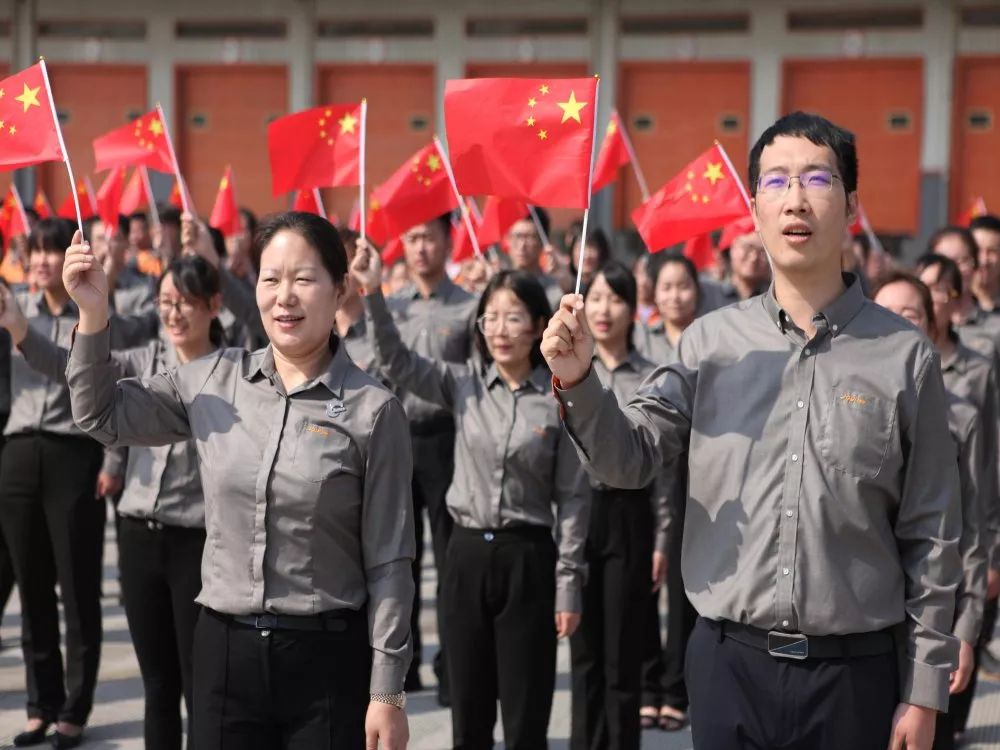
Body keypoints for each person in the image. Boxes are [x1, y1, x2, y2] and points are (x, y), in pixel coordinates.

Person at [542, 111, 963, 749]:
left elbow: (932, 531)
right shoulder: (708, 344)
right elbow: (628, 459)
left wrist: (924, 690)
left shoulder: (905, 357)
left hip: (854, 678)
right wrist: (579, 381)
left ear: (851, 205)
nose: (795, 199)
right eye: (775, 181)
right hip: (728, 667)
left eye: (816, 179)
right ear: (754, 209)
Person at [63, 211, 414, 749]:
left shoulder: (375, 410)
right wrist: (92, 315)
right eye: (271, 279)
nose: (285, 296)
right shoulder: (214, 379)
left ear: (340, 288)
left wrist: (387, 691)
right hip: (226, 656)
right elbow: (100, 414)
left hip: (326, 662)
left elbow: (390, 560)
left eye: (304, 278)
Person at [352, 242, 589, 750]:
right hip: (465, 558)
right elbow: (396, 360)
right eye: (490, 318)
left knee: (526, 715)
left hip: (527, 559)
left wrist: (568, 583)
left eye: (513, 317)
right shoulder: (463, 385)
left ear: (538, 326)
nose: (499, 330)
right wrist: (372, 292)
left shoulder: (558, 400)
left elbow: (572, 498)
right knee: (469, 712)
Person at [0, 255, 223, 750]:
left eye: (185, 302)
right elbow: (76, 369)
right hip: (140, 534)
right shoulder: (143, 363)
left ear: (214, 305)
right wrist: (22, 328)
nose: (173, 313)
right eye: (165, 301)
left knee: (200, 684)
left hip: (199, 540)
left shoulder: (234, 375)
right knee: (157, 685)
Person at [0, 219, 115, 747]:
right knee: (31, 587)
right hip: (19, 453)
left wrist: (113, 462)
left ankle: (74, 707)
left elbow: (87, 378)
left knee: (77, 586)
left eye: (53, 250)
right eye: (36, 251)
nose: (43, 260)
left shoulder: (90, 310)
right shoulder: (12, 307)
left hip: (74, 453)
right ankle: (39, 704)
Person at [872, 272, 990, 750]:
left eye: (911, 314)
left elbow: (973, 529)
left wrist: (966, 629)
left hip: (931, 616)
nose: (898, 324)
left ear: (932, 324)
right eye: (884, 314)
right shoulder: (842, 404)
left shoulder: (961, 415)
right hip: (862, 624)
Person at [570, 261, 670, 750]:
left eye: (615, 298)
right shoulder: (568, 373)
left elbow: (665, 466)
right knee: (584, 651)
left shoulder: (651, 376)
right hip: (578, 511)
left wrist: (664, 536)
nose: (604, 309)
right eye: (595, 298)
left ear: (633, 308)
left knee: (623, 650)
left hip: (631, 513)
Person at [384, 215, 478, 700]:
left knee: (448, 557)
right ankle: (406, 663)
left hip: (447, 438)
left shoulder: (469, 306)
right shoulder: (390, 307)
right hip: (399, 437)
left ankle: (450, 665)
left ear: (447, 242)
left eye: (429, 238)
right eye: (413, 237)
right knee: (401, 557)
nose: (420, 247)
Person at [916, 254, 1000, 744]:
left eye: (935, 290)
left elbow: (982, 477)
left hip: (947, 565)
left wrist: (990, 553)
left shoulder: (971, 384)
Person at [927, 226, 1000, 358]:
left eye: (962, 261)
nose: (954, 270)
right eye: (945, 263)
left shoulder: (995, 327)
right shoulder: (920, 323)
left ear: (975, 264)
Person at [633, 252, 700, 365]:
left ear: (697, 290)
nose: (675, 297)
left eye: (683, 287)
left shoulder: (711, 337)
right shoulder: (641, 339)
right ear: (655, 293)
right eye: (666, 288)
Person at [505, 208, 564, 309]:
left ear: (542, 241)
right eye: (517, 236)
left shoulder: (555, 292)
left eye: (529, 237)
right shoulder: (498, 287)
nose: (522, 245)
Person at [970, 214, 1000, 311]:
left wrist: (984, 298)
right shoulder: (953, 299)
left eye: (992, 251)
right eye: (977, 250)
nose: (983, 260)